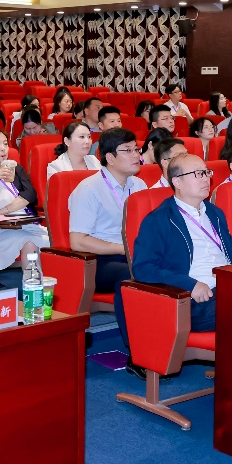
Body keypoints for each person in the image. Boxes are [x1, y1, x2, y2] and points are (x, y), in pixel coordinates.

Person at [130, 153, 232, 335]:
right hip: (195, 299)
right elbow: (143, 268)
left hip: (230, 288)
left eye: (206, 172)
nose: (206, 179)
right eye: (198, 174)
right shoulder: (159, 219)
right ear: (177, 182)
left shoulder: (215, 213)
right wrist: (190, 285)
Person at [67, 128, 146, 341]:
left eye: (136, 149)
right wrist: (124, 249)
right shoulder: (89, 189)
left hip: (133, 254)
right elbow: (78, 241)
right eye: (128, 150)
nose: (136, 155)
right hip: (99, 261)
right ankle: (137, 348)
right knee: (132, 275)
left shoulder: (139, 185)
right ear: (110, 158)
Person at [0, 129, 49, 272]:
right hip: (1, 231)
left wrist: (2, 211)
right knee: (29, 243)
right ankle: (33, 285)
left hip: (28, 224)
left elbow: (31, 195)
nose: (3, 148)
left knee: (57, 242)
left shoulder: (17, 170)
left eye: (5, 144)